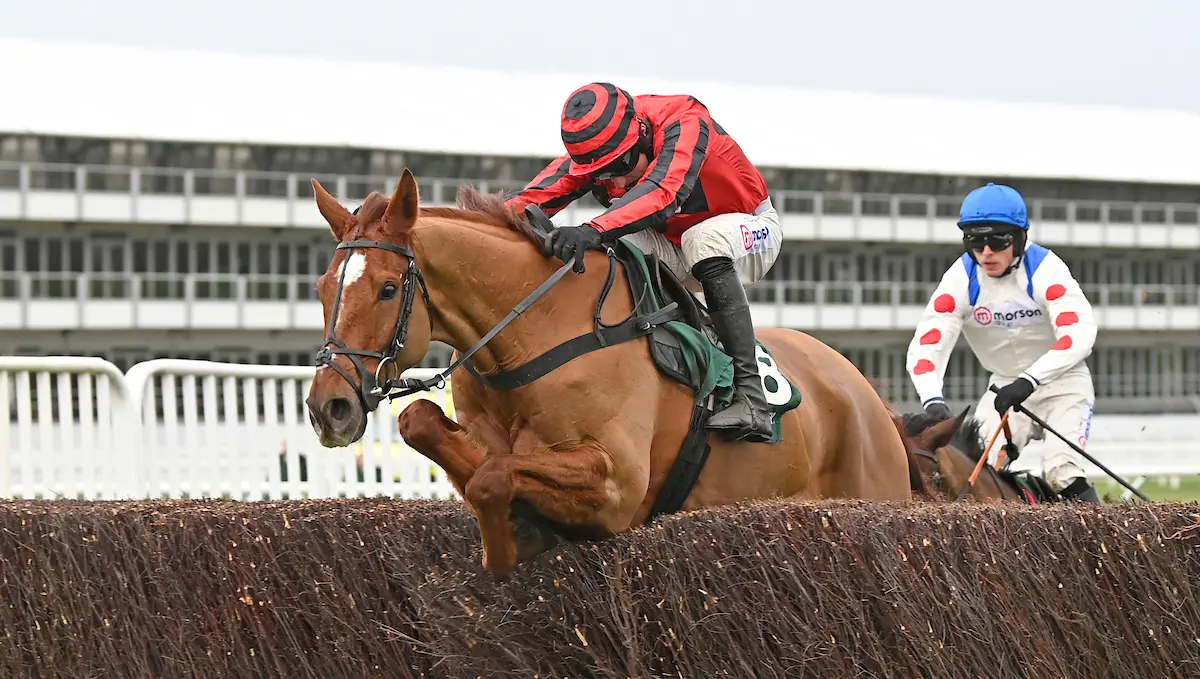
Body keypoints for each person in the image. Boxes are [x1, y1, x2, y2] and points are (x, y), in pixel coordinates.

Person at [504, 82, 783, 443]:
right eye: (604, 174)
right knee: (612, 251)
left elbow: (665, 192)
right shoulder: (600, 147)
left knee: (698, 240)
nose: (618, 181)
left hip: (753, 230)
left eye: (622, 164)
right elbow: (530, 200)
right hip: (675, 244)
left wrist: (591, 229)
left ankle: (752, 396)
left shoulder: (685, 120)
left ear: (643, 132)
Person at [905, 182, 1102, 503]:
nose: (985, 253)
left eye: (997, 241)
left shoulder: (1047, 269)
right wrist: (932, 400)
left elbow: (1078, 335)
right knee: (974, 472)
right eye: (975, 241)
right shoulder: (961, 277)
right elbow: (927, 345)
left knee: (1062, 474)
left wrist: (1030, 380)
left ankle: (1098, 532)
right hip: (1004, 389)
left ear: (1020, 238)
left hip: (1064, 385)